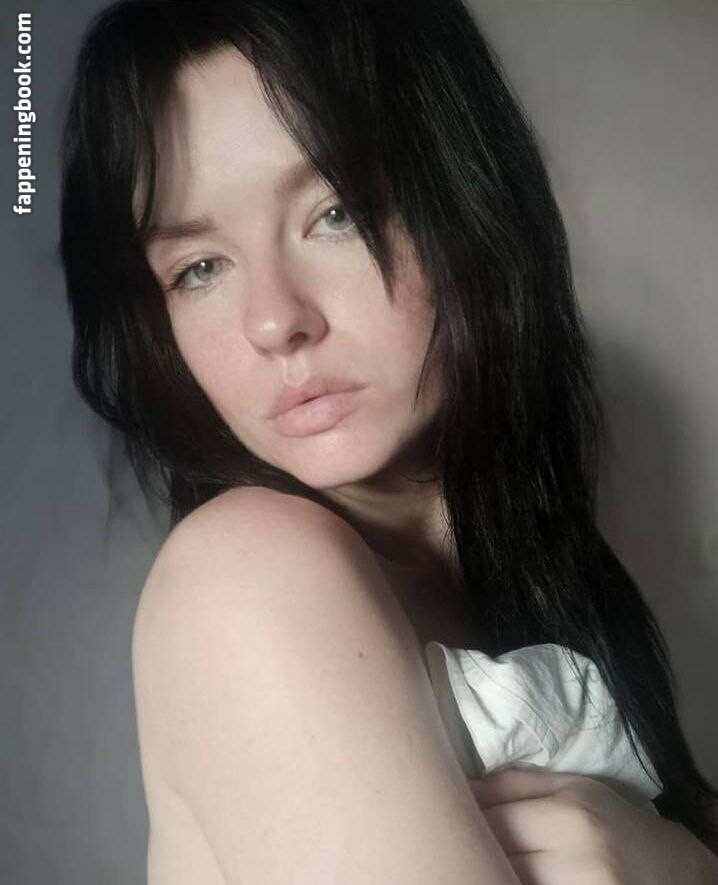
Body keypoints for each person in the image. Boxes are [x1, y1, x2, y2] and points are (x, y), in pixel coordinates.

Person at [59, 0, 718, 881]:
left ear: (467, 195)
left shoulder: (543, 575)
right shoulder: (247, 573)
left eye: (334, 213)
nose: (275, 321)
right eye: (199, 267)